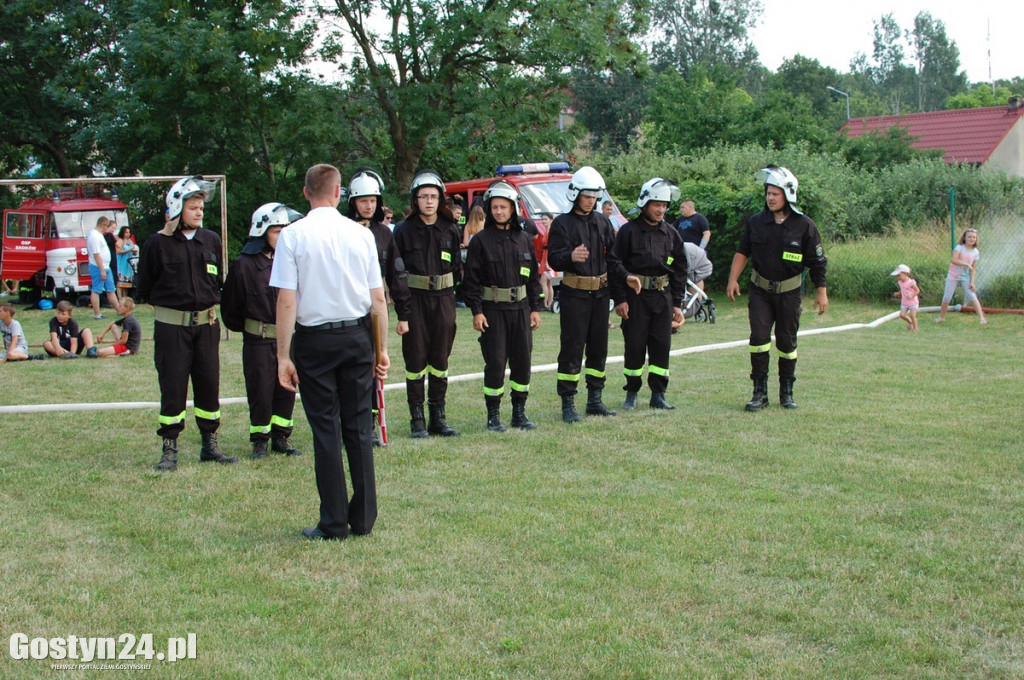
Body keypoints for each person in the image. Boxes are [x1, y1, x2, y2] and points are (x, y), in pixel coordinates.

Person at [271, 163, 389, 541]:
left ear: (306, 193)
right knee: (358, 427)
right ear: (340, 193)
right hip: (357, 336)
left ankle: (334, 522)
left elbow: (287, 301)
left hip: (314, 339)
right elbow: (378, 300)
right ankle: (364, 517)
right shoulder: (361, 235)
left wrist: (282, 356)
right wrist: (381, 349)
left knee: (326, 430)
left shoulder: (293, 236)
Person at [136, 175, 237, 471]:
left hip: (206, 326)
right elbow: (145, 287)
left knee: (209, 383)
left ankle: (210, 445)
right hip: (172, 328)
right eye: (193, 207)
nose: (199, 212)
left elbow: (217, 281)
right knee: (173, 385)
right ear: (177, 208)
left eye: (201, 208)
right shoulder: (157, 243)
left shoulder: (211, 240)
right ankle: (170, 448)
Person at [726, 165, 828, 411]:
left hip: (789, 294)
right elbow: (743, 251)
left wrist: (821, 291)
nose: (770, 198)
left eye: (775, 193)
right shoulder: (756, 222)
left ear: (788, 194)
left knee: (786, 342)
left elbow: (817, 261)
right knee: (759, 339)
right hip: (760, 291)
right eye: (768, 193)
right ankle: (759, 393)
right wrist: (732, 279)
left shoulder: (805, 226)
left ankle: (787, 392)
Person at [547, 166, 636, 422]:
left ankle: (595, 400)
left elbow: (614, 259)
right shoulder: (562, 224)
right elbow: (554, 258)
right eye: (587, 196)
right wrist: (570, 257)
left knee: (599, 348)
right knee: (572, 348)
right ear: (575, 194)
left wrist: (626, 277)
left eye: (595, 196)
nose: (591, 200)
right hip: (575, 295)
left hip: (600, 295)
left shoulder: (602, 222)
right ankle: (568, 403)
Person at [221, 203, 305, 459]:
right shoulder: (243, 266)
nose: (283, 236)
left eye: (286, 230)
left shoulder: (293, 262)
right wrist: (251, 329)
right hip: (258, 341)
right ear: (261, 231)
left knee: (287, 389)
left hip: (287, 340)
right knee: (261, 390)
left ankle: (281, 437)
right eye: (277, 231)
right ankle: (260, 441)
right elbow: (230, 309)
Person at [462, 181, 542, 432]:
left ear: (513, 208)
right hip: (493, 310)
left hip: (520, 310)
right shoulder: (480, 241)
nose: (498, 211)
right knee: (495, 362)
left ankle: (519, 412)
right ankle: (493, 415)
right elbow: (471, 281)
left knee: (522, 361)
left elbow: (533, 277)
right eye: (494, 207)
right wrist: (477, 311)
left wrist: (536, 308)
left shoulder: (525, 240)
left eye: (503, 207)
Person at [344, 169, 414, 444]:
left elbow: (397, 274)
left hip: (375, 310)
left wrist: (404, 313)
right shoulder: (343, 230)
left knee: (374, 366)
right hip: (347, 309)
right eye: (363, 201)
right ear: (353, 202)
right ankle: (348, 423)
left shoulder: (384, 233)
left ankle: (370, 424)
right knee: (350, 368)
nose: (369, 206)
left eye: (373, 200)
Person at [393, 170, 462, 438]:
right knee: (415, 360)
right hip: (415, 301)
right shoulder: (404, 231)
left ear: (441, 199)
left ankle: (438, 417)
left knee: (440, 359)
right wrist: (403, 310)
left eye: (434, 197)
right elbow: (397, 274)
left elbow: (456, 267)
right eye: (424, 197)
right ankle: (417, 419)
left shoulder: (450, 229)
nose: (429, 202)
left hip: (444, 300)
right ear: (415, 200)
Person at [611, 178, 687, 410]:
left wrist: (677, 304)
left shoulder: (671, 233)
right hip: (636, 299)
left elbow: (680, 269)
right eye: (657, 204)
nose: (661, 209)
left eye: (664, 205)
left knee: (661, 345)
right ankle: (631, 392)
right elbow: (614, 263)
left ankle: (658, 394)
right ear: (645, 203)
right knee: (634, 345)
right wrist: (621, 299)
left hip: (662, 298)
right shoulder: (628, 232)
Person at [936, 228, 987, 324]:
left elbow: (973, 269)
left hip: (965, 277)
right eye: (969, 237)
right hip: (953, 275)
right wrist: (966, 264)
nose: (972, 239)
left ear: (976, 239)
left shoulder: (975, 252)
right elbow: (954, 260)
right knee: (947, 297)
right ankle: (942, 317)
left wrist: (972, 282)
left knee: (972, 295)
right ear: (965, 238)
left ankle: (981, 318)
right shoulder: (959, 247)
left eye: (974, 237)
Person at [87, 216, 120, 320]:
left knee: (111, 289)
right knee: (96, 290)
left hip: (106, 266)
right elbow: (96, 255)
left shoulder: (99, 235)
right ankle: (97, 314)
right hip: (98, 267)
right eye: (108, 226)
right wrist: (102, 270)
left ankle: (119, 310)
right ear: (104, 225)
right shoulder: (94, 236)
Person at [536, 212, 556, 312]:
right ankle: (549, 302)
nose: (543, 221)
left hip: (547, 259)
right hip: (545, 257)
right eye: (542, 219)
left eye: (545, 219)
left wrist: (547, 262)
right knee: (548, 283)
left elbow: (551, 247)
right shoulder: (547, 231)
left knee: (543, 281)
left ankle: (546, 303)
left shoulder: (550, 232)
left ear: (551, 220)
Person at [890, 264, 920, 332]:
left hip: (913, 302)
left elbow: (917, 290)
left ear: (906, 274)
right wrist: (898, 293)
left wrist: (912, 295)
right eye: (897, 276)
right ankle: (911, 323)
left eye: (899, 275)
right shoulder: (900, 282)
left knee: (912, 315)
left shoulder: (911, 283)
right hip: (905, 302)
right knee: (902, 315)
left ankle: (915, 328)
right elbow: (902, 289)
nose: (898, 277)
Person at [116, 226, 139, 299]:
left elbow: (132, 250)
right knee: (120, 284)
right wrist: (128, 250)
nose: (128, 234)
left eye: (129, 232)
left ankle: (125, 299)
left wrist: (134, 252)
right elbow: (118, 251)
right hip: (121, 264)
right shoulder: (120, 241)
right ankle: (120, 299)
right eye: (126, 232)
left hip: (128, 265)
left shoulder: (130, 241)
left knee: (126, 284)